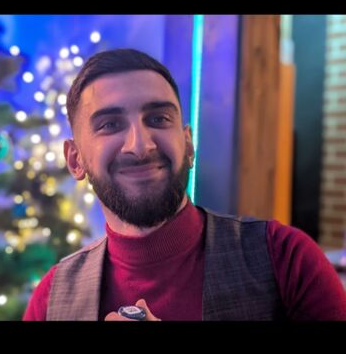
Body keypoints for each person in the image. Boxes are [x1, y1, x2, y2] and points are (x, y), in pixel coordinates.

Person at [23, 48, 346, 321]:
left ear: (188, 144)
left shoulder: (286, 259)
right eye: (110, 124)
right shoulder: (51, 299)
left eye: (158, 119)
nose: (140, 145)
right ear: (75, 159)